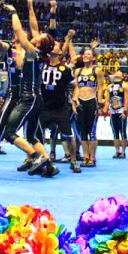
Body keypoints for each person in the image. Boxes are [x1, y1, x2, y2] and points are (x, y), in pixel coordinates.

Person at [0, 3, 58, 178]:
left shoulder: (31, 51)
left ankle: (38, 158)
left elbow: (24, 31)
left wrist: (14, 12)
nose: (15, 36)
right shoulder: (12, 50)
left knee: (16, 132)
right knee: (7, 131)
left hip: (27, 97)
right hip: (18, 95)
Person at [40, 40, 81, 173]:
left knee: (69, 134)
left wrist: (75, 97)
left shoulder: (66, 69)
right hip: (43, 107)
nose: (53, 47)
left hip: (60, 108)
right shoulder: (41, 65)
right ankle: (35, 159)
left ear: (60, 51)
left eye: (56, 45)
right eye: (52, 45)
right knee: (36, 134)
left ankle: (73, 161)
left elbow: (75, 86)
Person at [73, 49, 105, 167]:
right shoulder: (78, 71)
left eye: (88, 54)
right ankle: (85, 156)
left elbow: (100, 88)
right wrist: (75, 100)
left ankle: (92, 157)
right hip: (80, 102)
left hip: (92, 101)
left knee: (92, 131)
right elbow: (76, 87)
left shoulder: (97, 70)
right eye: (84, 54)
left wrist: (99, 103)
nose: (85, 55)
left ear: (93, 58)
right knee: (82, 131)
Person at [104, 71, 128, 159]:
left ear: (122, 76)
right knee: (115, 133)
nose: (117, 74)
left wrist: (125, 111)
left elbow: (126, 100)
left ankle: (123, 152)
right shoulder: (109, 87)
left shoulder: (124, 86)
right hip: (113, 112)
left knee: (123, 132)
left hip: (121, 111)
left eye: (119, 73)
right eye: (116, 73)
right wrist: (105, 110)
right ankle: (117, 151)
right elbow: (107, 100)